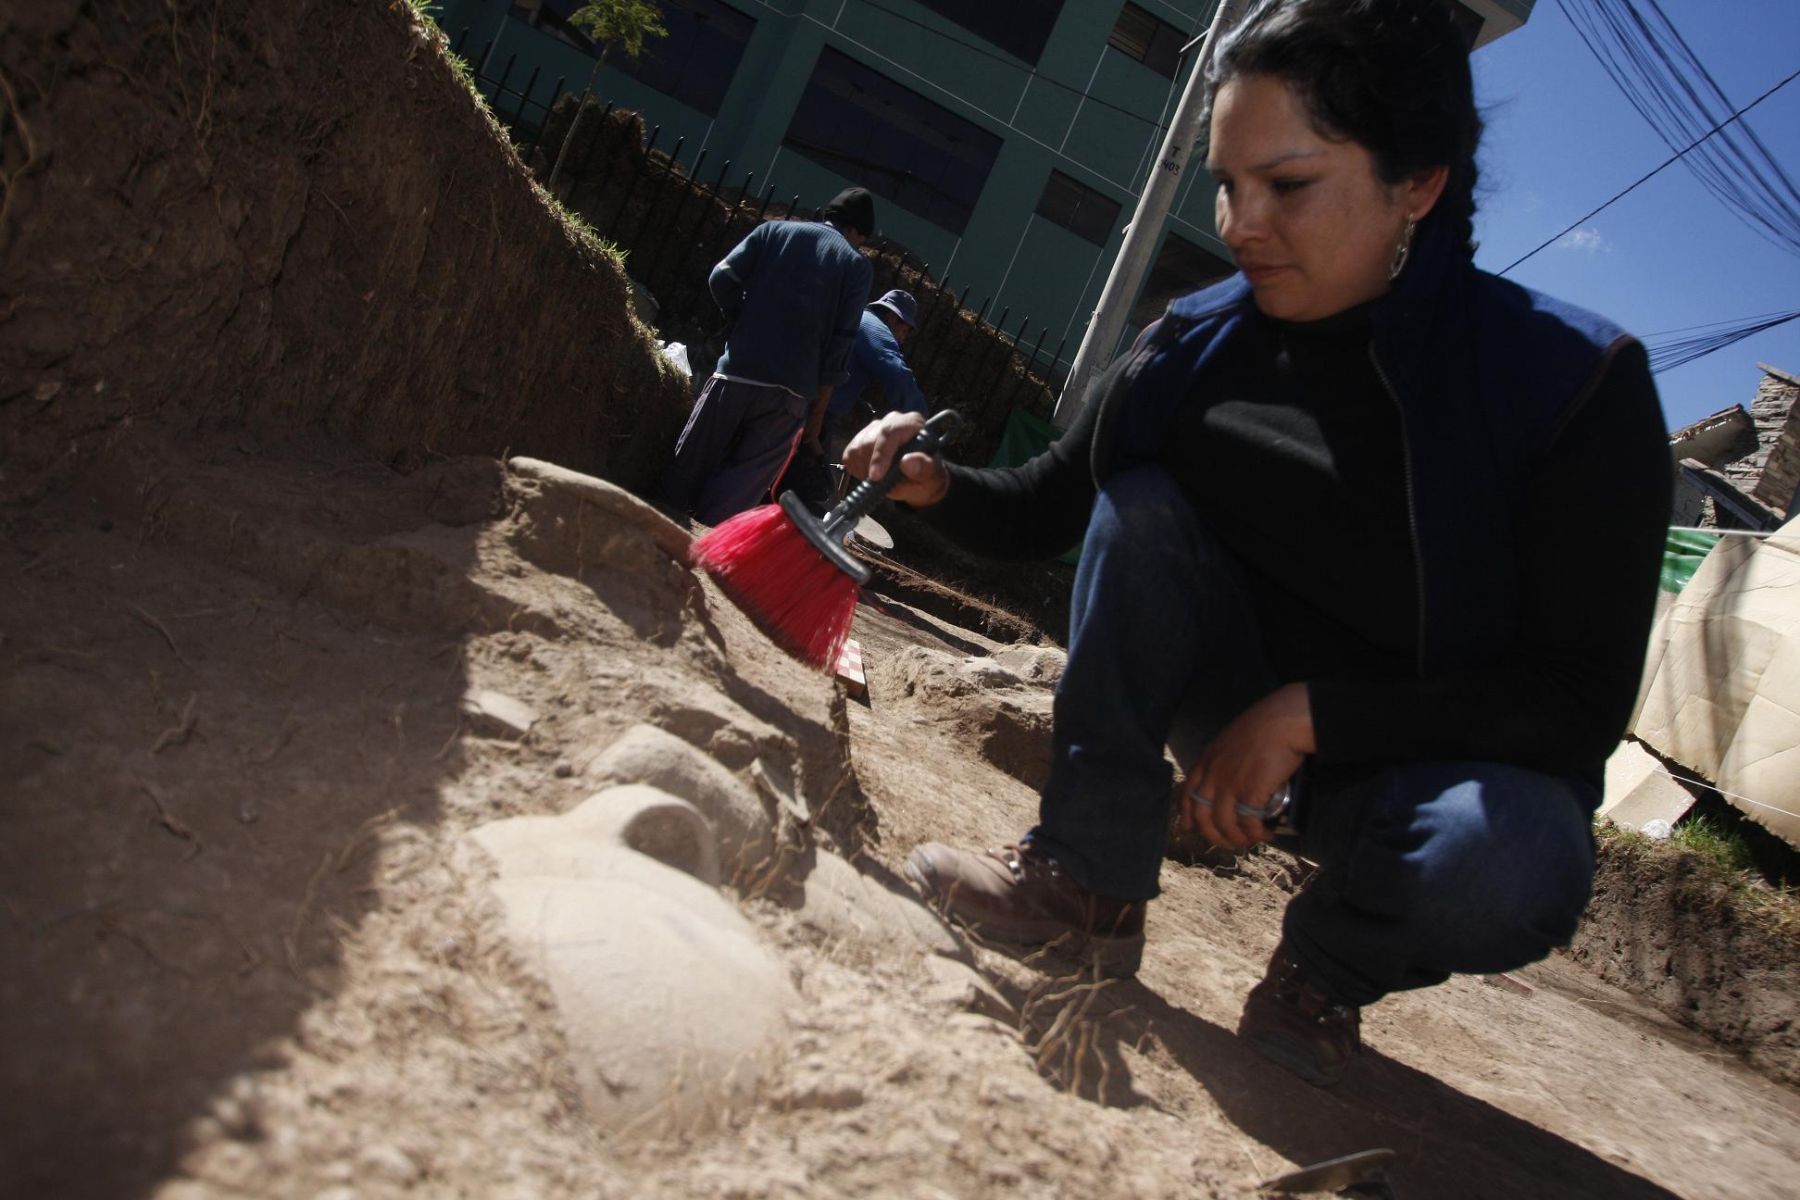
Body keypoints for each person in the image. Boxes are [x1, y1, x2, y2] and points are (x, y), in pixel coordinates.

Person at [841, 0, 1672, 1089]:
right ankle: (1086, 882)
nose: (1239, 224)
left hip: (1422, 784)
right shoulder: (1191, 341)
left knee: (1515, 860)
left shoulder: (1574, 386)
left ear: (1417, 183)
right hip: (1217, 714)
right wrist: (930, 484)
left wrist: (1311, 717)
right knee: (1142, 506)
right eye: (1227, 184)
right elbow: (1051, 507)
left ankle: (1322, 971)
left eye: (1287, 186)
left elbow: (1575, 701)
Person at [656, 187, 876, 525]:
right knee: (747, 477)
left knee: (691, 460)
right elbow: (840, 347)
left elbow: (721, 278)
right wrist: (816, 418)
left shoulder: (773, 230)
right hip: (790, 395)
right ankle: (704, 547)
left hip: (737, 371)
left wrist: (740, 314)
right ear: (855, 231)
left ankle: (658, 521)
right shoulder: (855, 266)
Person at [786, 288, 928, 513]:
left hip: (804, 400)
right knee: (804, 489)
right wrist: (920, 420)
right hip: (812, 411)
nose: (904, 337)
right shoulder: (876, 329)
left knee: (793, 477)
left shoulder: (858, 319)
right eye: (906, 329)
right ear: (892, 317)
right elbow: (897, 374)